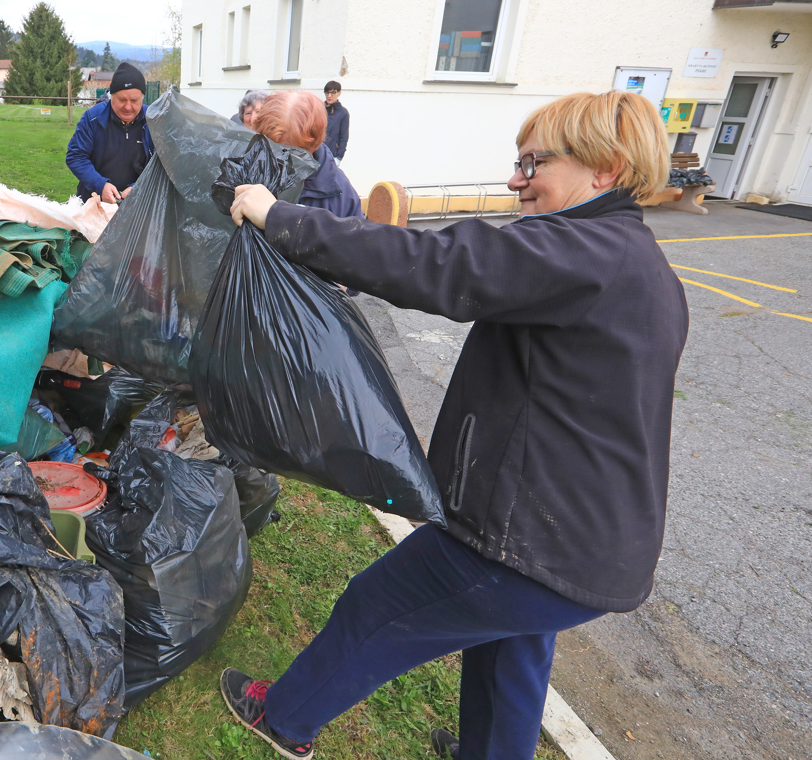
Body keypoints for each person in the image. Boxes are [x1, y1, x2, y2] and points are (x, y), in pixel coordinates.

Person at [219, 90, 688, 760]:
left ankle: (284, 717)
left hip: (527, 539)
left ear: (605, 168)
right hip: (588, 544)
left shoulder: (580, 251)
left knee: (378, 606)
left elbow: (439, 264)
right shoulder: (639, 263)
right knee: (512, 647)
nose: (516, 180)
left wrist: (280, 217)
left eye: (534, 164)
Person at [252, 90, 362, 219]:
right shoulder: (248, 172)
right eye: (270, 151)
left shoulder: (340, 191)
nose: (279, 163)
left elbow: (356, 230)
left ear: (313, 146)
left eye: (290, 155)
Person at [65, 62, 155, 204]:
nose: (128, 107)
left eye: (134, 100)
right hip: (94, 202)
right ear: (111, 96)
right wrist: (100, 185)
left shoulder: (154, 121)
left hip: (140, 205)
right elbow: (76, 156)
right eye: (122, 100)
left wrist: (139, 188)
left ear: (142, 98)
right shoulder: (92, 118)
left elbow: (163, 165)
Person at [322, 80, 349, 163]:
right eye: (327, 93)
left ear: (339, 93)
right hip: (316, 153)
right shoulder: (319, 109)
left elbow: (344, 136)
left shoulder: (343, 113)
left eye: (333, 93)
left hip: (332, 155)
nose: (329, 96)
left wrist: (339, 157)